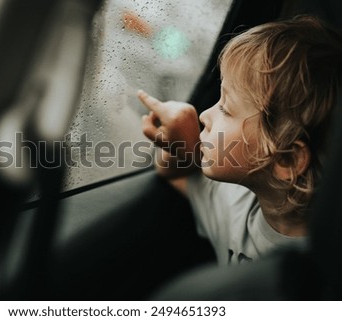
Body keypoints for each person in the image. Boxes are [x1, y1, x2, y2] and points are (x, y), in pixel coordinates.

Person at [137, 15, 342, 265]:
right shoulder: (234, 203)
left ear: (285, 159)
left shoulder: (318, 275)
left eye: (226, 108)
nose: (204, 115)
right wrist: (183, 145)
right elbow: (173, 174)